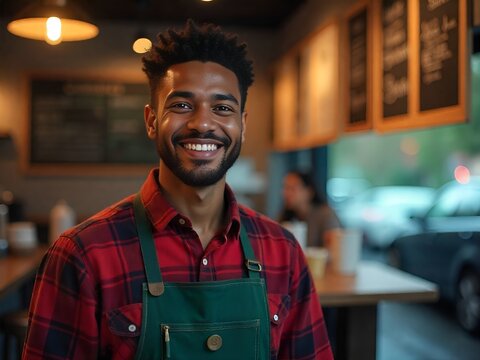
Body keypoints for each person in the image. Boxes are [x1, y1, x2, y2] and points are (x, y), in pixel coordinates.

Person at [23, 20, 333, 360]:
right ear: (152, 120)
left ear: (242, 125)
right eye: (182, 105)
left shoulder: (283, 251)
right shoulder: (83, 255)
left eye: (222, 108)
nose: (202, 123)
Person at [279, 171, 341, 247]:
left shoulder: (325, 215)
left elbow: (334, 247)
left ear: (309, 191)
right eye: (285, 188)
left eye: (292, 188)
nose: (286, 193)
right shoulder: (286, 216)